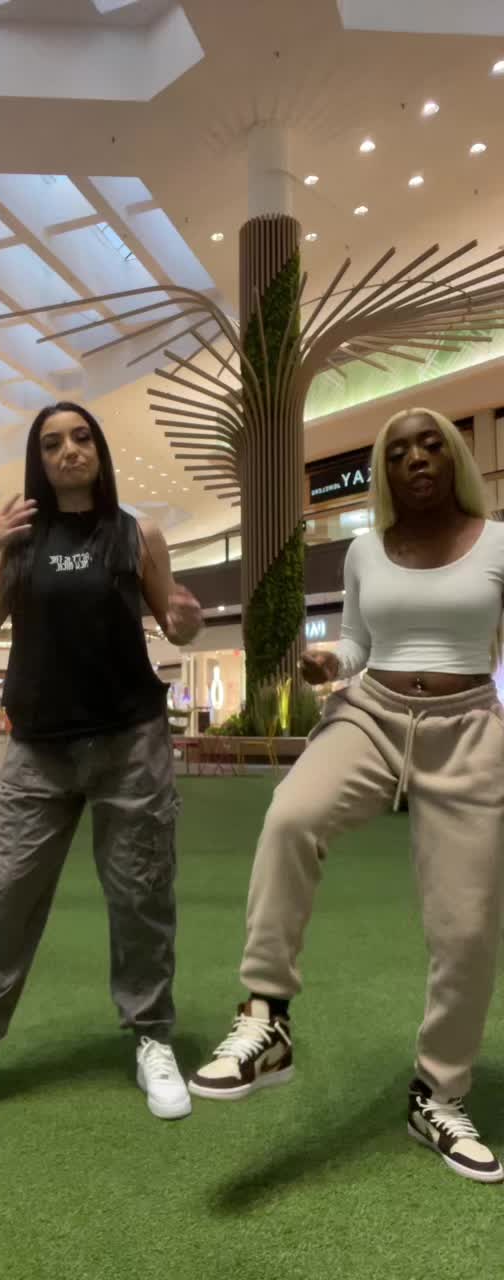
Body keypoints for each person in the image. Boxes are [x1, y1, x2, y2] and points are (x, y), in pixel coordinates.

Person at [190, 408, 504, 1184]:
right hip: (373, 715)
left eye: (431, 444)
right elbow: (362, 641)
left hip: (468, 728)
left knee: (465, 928)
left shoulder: (497, 542)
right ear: (384, 473)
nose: (416, 458)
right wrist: (334, 660)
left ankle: (438, 1095)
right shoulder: (366, 550)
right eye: (398, 452)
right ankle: (267, 1017)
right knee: (290, 816)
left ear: (455, 456)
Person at [0, 402, 202, 1132]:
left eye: (80, 438)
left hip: (130, 742)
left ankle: (152, 1037)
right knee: (6, 898)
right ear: (38, 461)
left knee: (141, 897)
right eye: (51, 443)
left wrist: (187, 621)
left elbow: (173, 622)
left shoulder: (137, 534)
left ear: (98, 450)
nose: (68, 450)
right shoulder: (19, 541)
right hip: (38, 750)